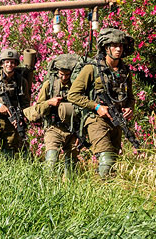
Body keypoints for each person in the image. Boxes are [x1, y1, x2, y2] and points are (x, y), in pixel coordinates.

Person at [67, 27, 135, 178]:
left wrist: (130, 108)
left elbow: (130, 97)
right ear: (106, 47)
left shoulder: (125, 71)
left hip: (116, 122)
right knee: (106, 160)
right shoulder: (92, 69)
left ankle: (104, 194)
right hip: (96, 121)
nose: (118, 49)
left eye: (121, 46)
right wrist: (96, 107)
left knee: (113, 162)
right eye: (114, 45)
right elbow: (73, 95)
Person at [27, 53, 81, 175]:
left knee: (71, 167)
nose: (64, 78)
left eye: (68, 75)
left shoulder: (78, 86)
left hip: (73, 130)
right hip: (53, 128)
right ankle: (47, 187)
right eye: (62, 74)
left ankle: (69, 189)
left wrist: (80, 134)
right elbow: (39, 108)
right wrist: (49, 103)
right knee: (51, 161)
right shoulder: (49, 85)